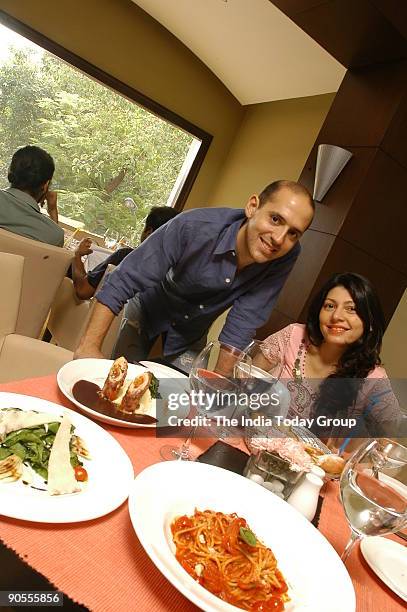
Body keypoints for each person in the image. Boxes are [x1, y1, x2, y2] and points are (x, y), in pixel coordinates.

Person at [74, 180, 314, 369]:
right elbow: (125, 279)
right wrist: (88, 347)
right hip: (149, 308)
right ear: (253, 206)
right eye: (275, 219)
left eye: (294, 233)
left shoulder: (286, 254)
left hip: (191, 332)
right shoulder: (194, 225)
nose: (280, 239)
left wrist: (217, 387)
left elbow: (244, 321)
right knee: (119, 383)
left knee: (175, 409)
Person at [260, 272, 403, 441]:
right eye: (330, 306)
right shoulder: (294, 335)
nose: (336, 316)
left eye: (351, 309)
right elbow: (243, 382)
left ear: (370, 323)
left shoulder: (373, 378)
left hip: (310, 463)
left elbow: (392, 439)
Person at [72, 206, 179, 300]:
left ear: (149, 232)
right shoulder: (176, 273)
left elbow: (83, 291)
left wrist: (77, 255)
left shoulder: (126, 256)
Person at [0, 145, 64, 247]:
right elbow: (53, 254)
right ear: (46, 185)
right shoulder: (54, 235)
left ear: (9, 172)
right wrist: (52, 210)